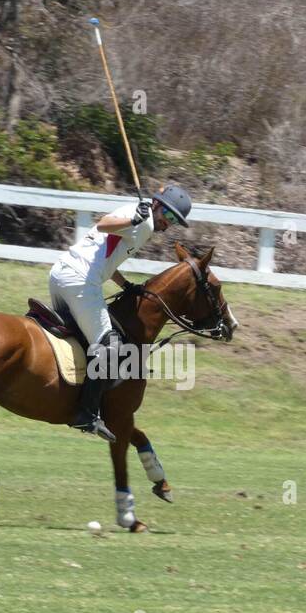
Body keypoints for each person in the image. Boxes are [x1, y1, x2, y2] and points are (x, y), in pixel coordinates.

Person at [47, 183, 192, 442]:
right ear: (157, 204)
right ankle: (87, 414)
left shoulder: (135, 213)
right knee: (111, 346)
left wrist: (125, 285)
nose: (168, 224)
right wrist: (133, 220)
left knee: (78, 339)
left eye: (174, 221)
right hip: (80, 281)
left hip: (60, 274)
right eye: (168, 216)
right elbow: (103, 225)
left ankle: (63, 394)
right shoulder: (142, 221)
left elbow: (105, 256)